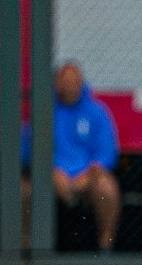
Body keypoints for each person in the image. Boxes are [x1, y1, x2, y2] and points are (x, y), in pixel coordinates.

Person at [48, 61, 121, 252]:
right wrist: (53, 171)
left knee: (107, 189)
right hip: (52, 176)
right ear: (58, 84)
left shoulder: (97, 112)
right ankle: (28, 249)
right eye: (66, 81)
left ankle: (106, 246)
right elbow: (30, 149)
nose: (70, 85)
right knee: (24, 190)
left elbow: (107, 153)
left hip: (89, 176)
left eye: (74, 81)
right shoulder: (46, 112)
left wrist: (88, 175)